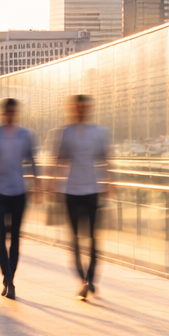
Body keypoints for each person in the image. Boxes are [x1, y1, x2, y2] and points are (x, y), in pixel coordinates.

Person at [0, 98, 39, 299]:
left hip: (19, 192)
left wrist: (39, 187)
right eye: (8, 111)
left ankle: (9, 279)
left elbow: (33, 161)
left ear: (16, 113)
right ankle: (9, 279)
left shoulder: (25, 135)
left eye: (14, 111)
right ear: (3, 113)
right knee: (2, 237)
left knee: (16, 239)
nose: (11, 115)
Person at [54, 94, 112, 300]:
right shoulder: (65, 133)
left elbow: (106, 158)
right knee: (76, 239)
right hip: (71, 191)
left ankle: (91, 278)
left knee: (94, 238)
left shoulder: (98, 132)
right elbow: (59, 160)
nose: (81, 110)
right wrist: (53, 186)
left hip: (92, 190)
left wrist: (110, 182)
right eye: (77, 107)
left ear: (89, 109)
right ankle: (82, 280)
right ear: (72, 109)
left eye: (84, 107)